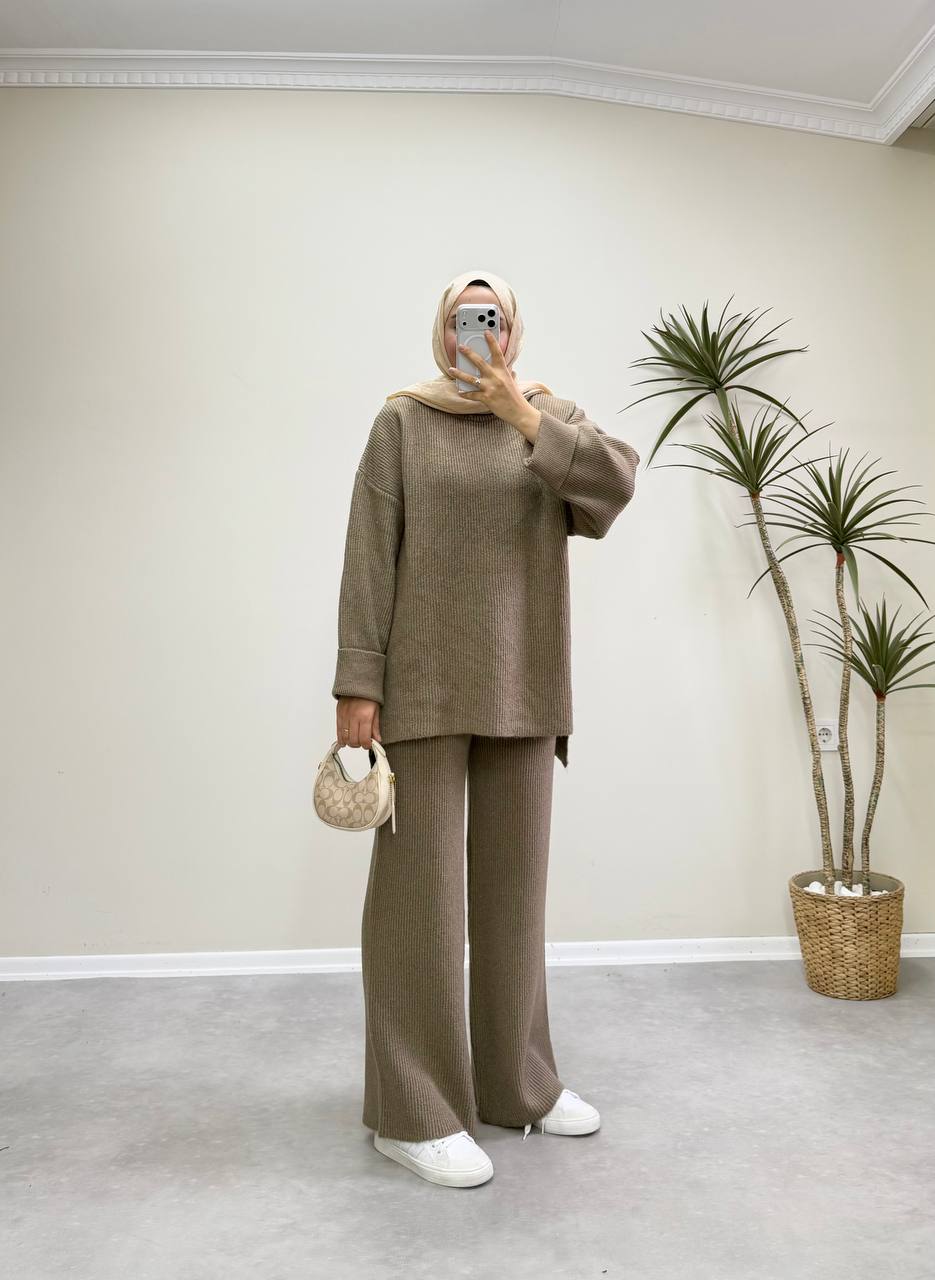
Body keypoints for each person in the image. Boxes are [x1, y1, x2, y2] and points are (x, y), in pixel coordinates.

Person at [331, 269, 640, 1187]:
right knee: (417, 911)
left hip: (523, 687)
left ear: (512, 332)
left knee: (513, 906)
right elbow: (368, 553)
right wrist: (358, 680)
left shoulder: (549, 417)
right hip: (420, 691)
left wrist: (523, 416)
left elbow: (613, 488)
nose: (479, 331)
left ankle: (517, 1088)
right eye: (464, 318)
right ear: (442, 330)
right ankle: (412, 1114)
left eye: (493, 318)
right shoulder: (401, 422)